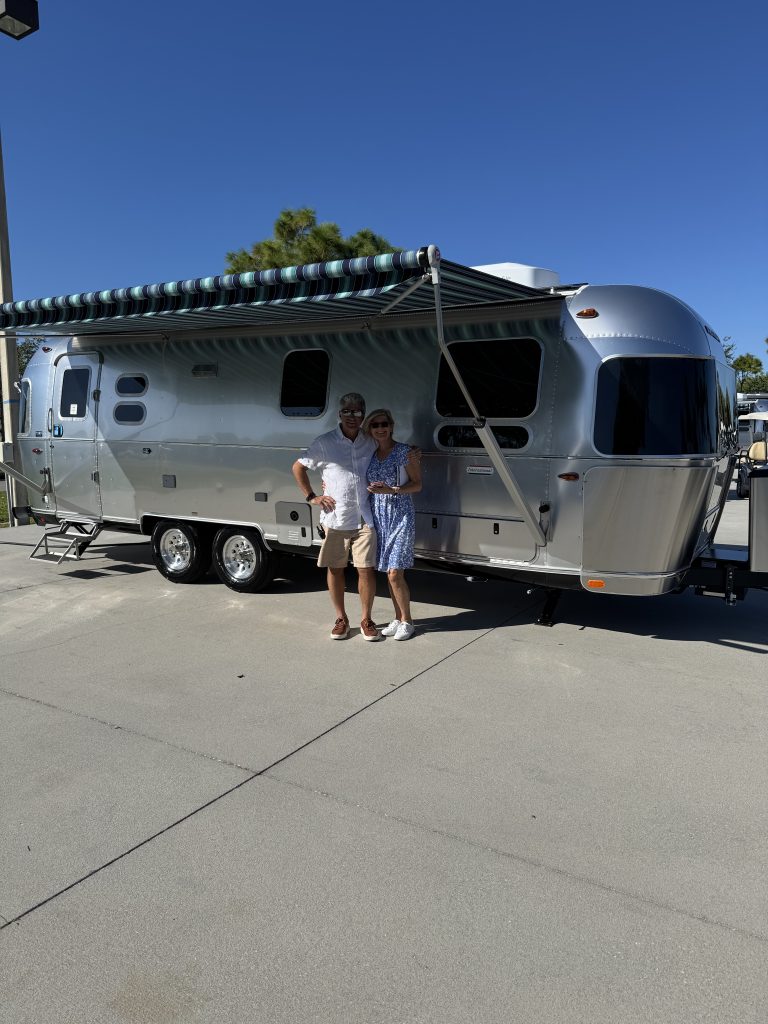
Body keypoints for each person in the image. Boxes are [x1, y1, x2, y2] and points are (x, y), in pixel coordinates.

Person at [292, 393, 381, 641]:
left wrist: (412, 451)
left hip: (364, 517)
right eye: (347, 412)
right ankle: (341, 618)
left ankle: (366, 619)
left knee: (366, 570)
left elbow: (390, 449)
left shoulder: (370, 441)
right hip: (336, 518)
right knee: (335, 569)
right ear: (339, 414)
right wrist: (312, 496)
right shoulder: (324, 442)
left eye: (357, 412)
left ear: (363, 415)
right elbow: (298, 467)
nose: (352, 416)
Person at [363, 408, 422, 641]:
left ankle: (408, 621)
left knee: (396, 572)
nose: (380, 428)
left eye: (384, 424)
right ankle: (397, 618)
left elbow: (417, 484)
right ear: (370, 429)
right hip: (379, 516)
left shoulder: (405, 452)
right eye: (375, 425)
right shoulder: (370, 453)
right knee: (389, 571)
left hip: (401, 514)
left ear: (391, 426)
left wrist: (392, 490)